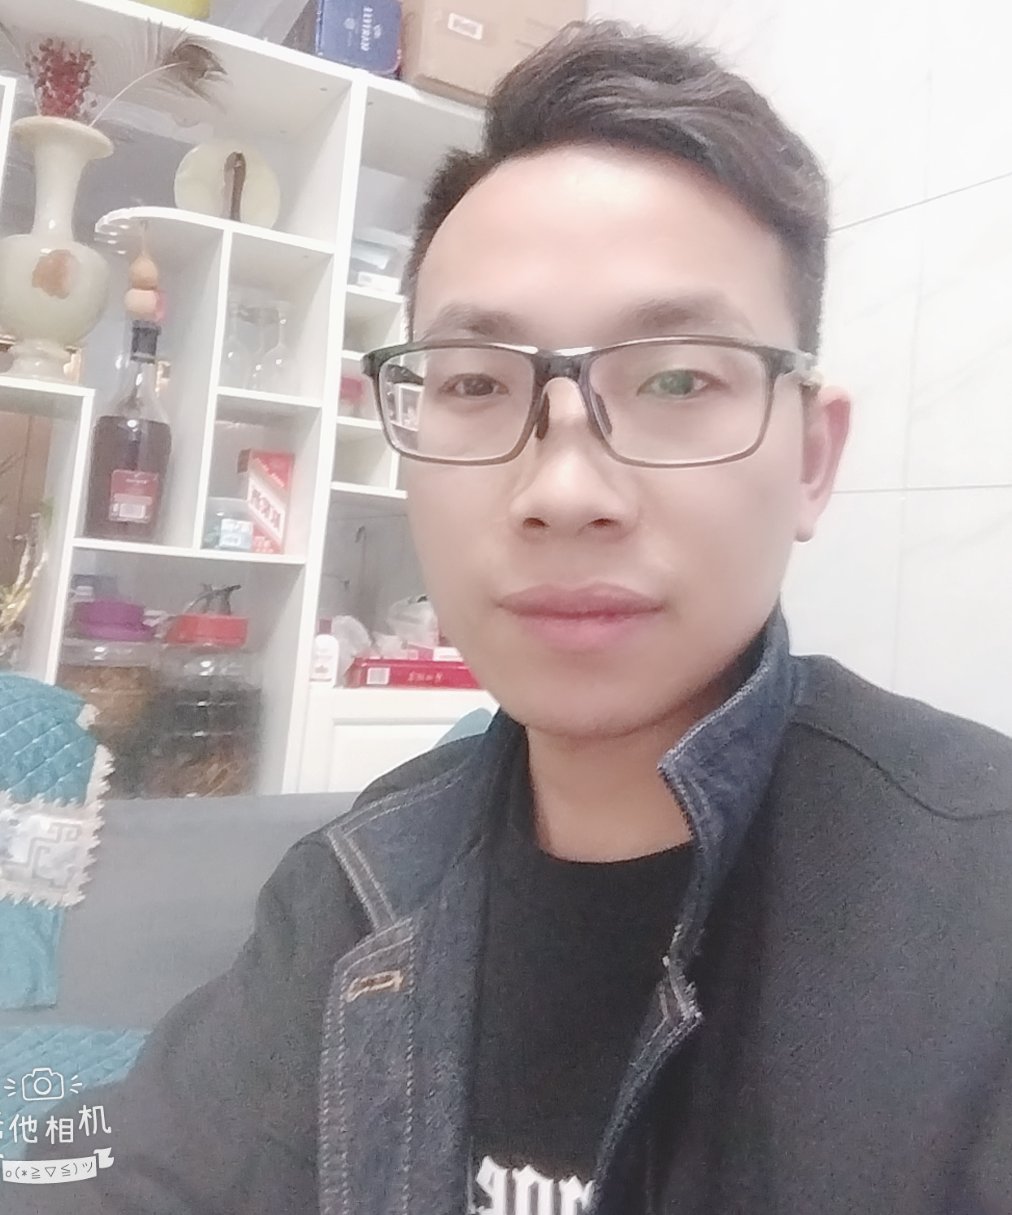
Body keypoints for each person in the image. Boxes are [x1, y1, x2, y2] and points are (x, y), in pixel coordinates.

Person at [13, 20, 1012, 1215]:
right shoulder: (357, 885)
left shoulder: (979, 908)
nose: (563, 490)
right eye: (477, 384)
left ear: (811, 459)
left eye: (677, 379)